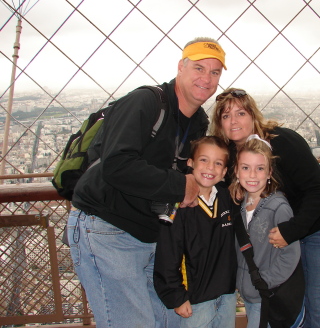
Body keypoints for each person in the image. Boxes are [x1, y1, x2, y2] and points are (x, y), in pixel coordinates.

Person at [66, 37, 227, 328]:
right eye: (199, 68)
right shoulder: (146, 102)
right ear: (181, 67)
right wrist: (181, 186)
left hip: (153, 235)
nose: (206, 78)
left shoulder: (198, 121)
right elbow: (117, 165)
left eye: (215, 72)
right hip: (108, 228)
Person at [211, 89, 320, 328]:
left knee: (319, 306)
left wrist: (291, 231)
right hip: (285, 233)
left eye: (240, 113)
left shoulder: (283, 142)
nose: (233, 121)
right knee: (295, 306)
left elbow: (319, 191)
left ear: (253, 115)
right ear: (219, 124)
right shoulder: (232, 157)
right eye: (225, 116)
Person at [154, 136, 237, 328]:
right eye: (204, 160)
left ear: (224, 171)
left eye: (218, 163)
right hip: (195, 300)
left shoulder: (226, 197)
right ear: (190, 162)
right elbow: (168, 253)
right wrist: (175, 295)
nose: (210, 168)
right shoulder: (178, 203)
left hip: (227, 293)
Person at [230, 135, 305, 328]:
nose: (253, 175)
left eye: (260, 168)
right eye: (246, 168)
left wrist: (265, 282)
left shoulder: (278, 208)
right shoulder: (240, 203)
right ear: (237, 171)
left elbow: (290, 254)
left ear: (270, 172)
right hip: (252, 291)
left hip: (266, 295)